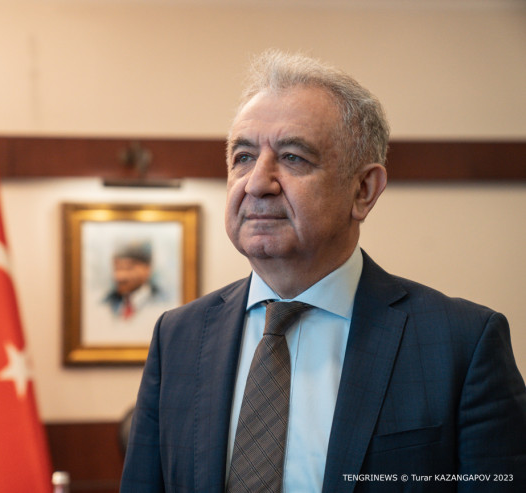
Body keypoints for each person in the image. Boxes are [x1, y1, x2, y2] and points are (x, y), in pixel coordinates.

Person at [120, 50, 526, 492]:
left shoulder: (462, 344)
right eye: (244, 156)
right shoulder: (178, 338)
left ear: (364, 190)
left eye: (293, 157)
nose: (257, 182)